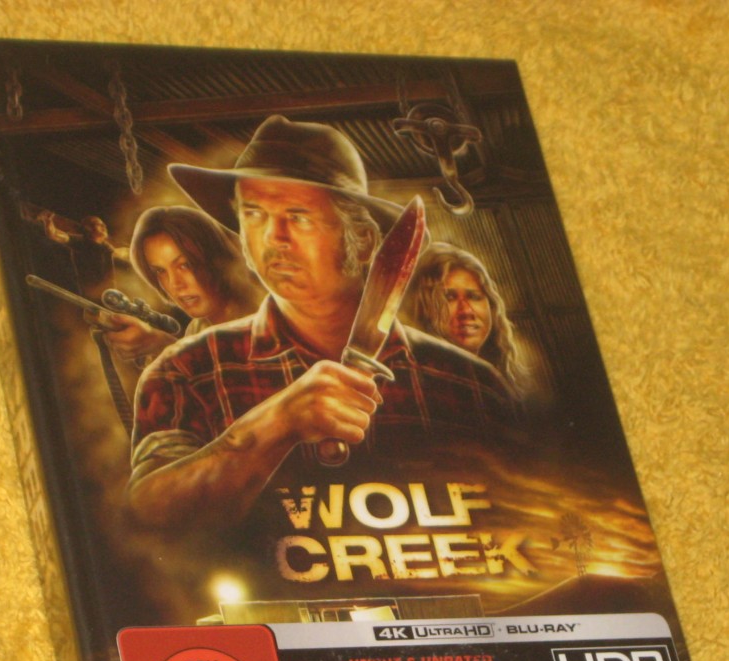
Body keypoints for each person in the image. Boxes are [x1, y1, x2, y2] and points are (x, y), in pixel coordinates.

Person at [126, 115, 516, 530]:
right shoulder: (184, 372)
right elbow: (149, 519)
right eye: (254, 214)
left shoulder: (472, 385)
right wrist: (275, 426)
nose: (273, 237)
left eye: (299, 216)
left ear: (362, 240)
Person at [90, 206, 261, 368]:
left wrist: (165, 345)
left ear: (216, 259)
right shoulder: (198, 328)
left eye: (185, 265)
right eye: (160, 271)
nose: (174, 283)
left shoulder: (264, 314)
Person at [405, 242, 543, 398]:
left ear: (492, 306)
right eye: (449, 297)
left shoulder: (503, 381)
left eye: (474, 297)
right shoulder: (418, 384)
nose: (466, 311)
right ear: (422, 308)